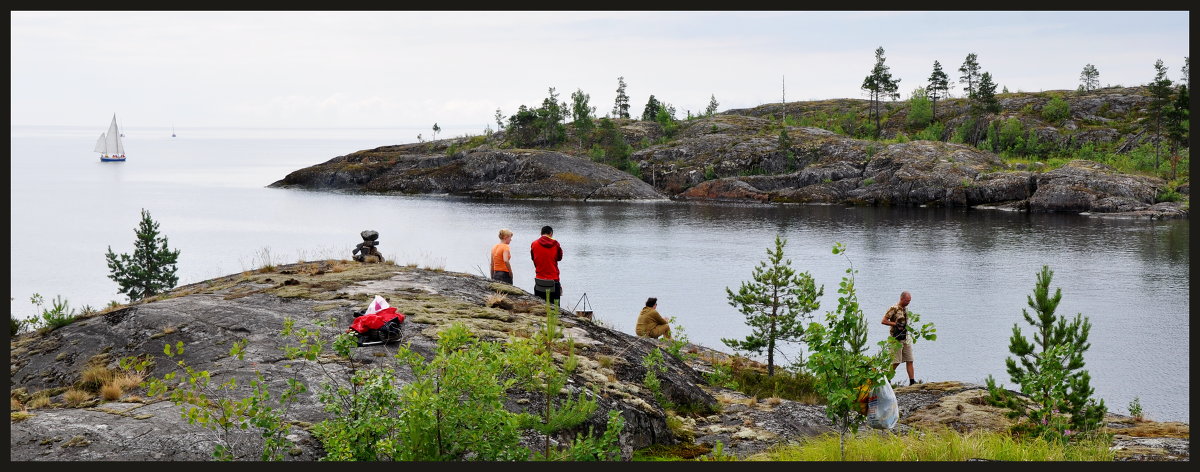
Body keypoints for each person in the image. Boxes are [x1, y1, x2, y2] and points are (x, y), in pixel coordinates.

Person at [881, 291, 916, 386]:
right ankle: (887, 380)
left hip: (905, 337)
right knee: (896, 361)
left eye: (909, 301)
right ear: (901, 299)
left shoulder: (905, 309)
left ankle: (912, 382)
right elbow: (883, 321)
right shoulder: (894, 308)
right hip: (895, 338)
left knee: (910, 360)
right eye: (907, 301)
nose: (908, 303)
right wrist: (895, 324)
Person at [530, 225, 563, 306]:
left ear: (541, 233)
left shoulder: (534, 244)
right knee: (555, 308)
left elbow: (533, 258)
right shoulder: (555, 244)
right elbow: (559, 258)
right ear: (551, 233)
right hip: (553, 280)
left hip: (539, 280)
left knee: (539, 307)